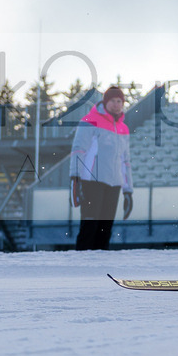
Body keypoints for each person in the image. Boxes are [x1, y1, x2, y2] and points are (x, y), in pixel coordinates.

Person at [69, 86, 134, 250]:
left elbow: (125, 161)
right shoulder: (89, 121)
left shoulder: (123, 128)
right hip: (92, 181)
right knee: (90, 226)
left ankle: (101, 262)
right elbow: (78, 150)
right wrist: (75, 178)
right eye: (112, 101)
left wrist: (128, 191)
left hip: (114, 184)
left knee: (105, 229)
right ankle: (82, 260)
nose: (116, 104)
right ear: (105, 102)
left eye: (119, 101)